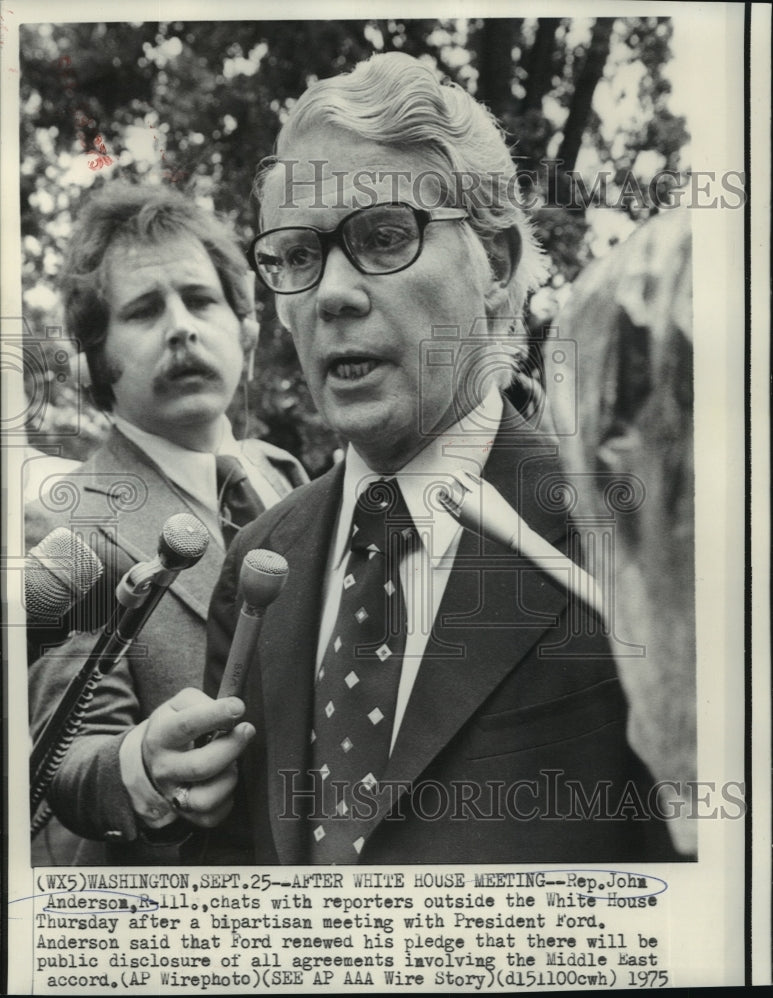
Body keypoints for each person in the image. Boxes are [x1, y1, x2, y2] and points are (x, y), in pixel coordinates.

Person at [125, 53, 680, 864]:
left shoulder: (621, 524)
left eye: (383, 236)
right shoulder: (260, 562)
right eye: (298, 255)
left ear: (493, 263)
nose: (331, 294)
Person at [26, 184, 307, 864]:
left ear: (244, 327)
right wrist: (141, 768)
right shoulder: (71, 523)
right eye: (146, 310)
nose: (182, 325)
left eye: (200, 299)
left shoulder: (284, 474)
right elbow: (62, 755)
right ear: (98, 365)